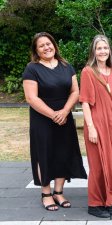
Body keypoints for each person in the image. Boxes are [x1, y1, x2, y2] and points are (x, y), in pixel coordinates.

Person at [22, 32, 87, 211]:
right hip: (42, 118)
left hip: (65, 116)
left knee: (63, 152)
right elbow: (31, 98)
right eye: (41, 45)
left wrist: (65, 111)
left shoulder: (67, 66)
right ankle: (46, 193)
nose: (46, 47)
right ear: (36, 50)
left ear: (54, 45)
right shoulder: (32, 68)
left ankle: (59, 192)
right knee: (44, 154)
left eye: (48, 43)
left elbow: (75, 91)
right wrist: (53, 114)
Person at [79, 35, 112, 218]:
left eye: (105, 48)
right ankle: (94, 204)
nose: (102, 51)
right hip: (96, 124)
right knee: (98, 165)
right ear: (93, 51)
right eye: (99, 48)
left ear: (110, 50)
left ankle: (107, 200)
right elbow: (84, 103)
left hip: (111, 125)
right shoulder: (88, 72)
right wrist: (91, 127)